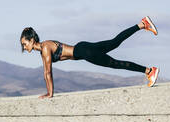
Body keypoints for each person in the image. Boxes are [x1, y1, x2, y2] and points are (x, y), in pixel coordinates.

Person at [20, 16, 160, 99]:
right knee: (115, 43)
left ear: (32, 40)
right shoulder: (43, 49)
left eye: (25, 44)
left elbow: (47, 72)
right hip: (83, 49)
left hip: (84, 52)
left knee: (116, 62)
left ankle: (149, 71)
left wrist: (49, 94)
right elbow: (47, 72)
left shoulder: (45, 48)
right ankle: (142, 25)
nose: (24, 48)